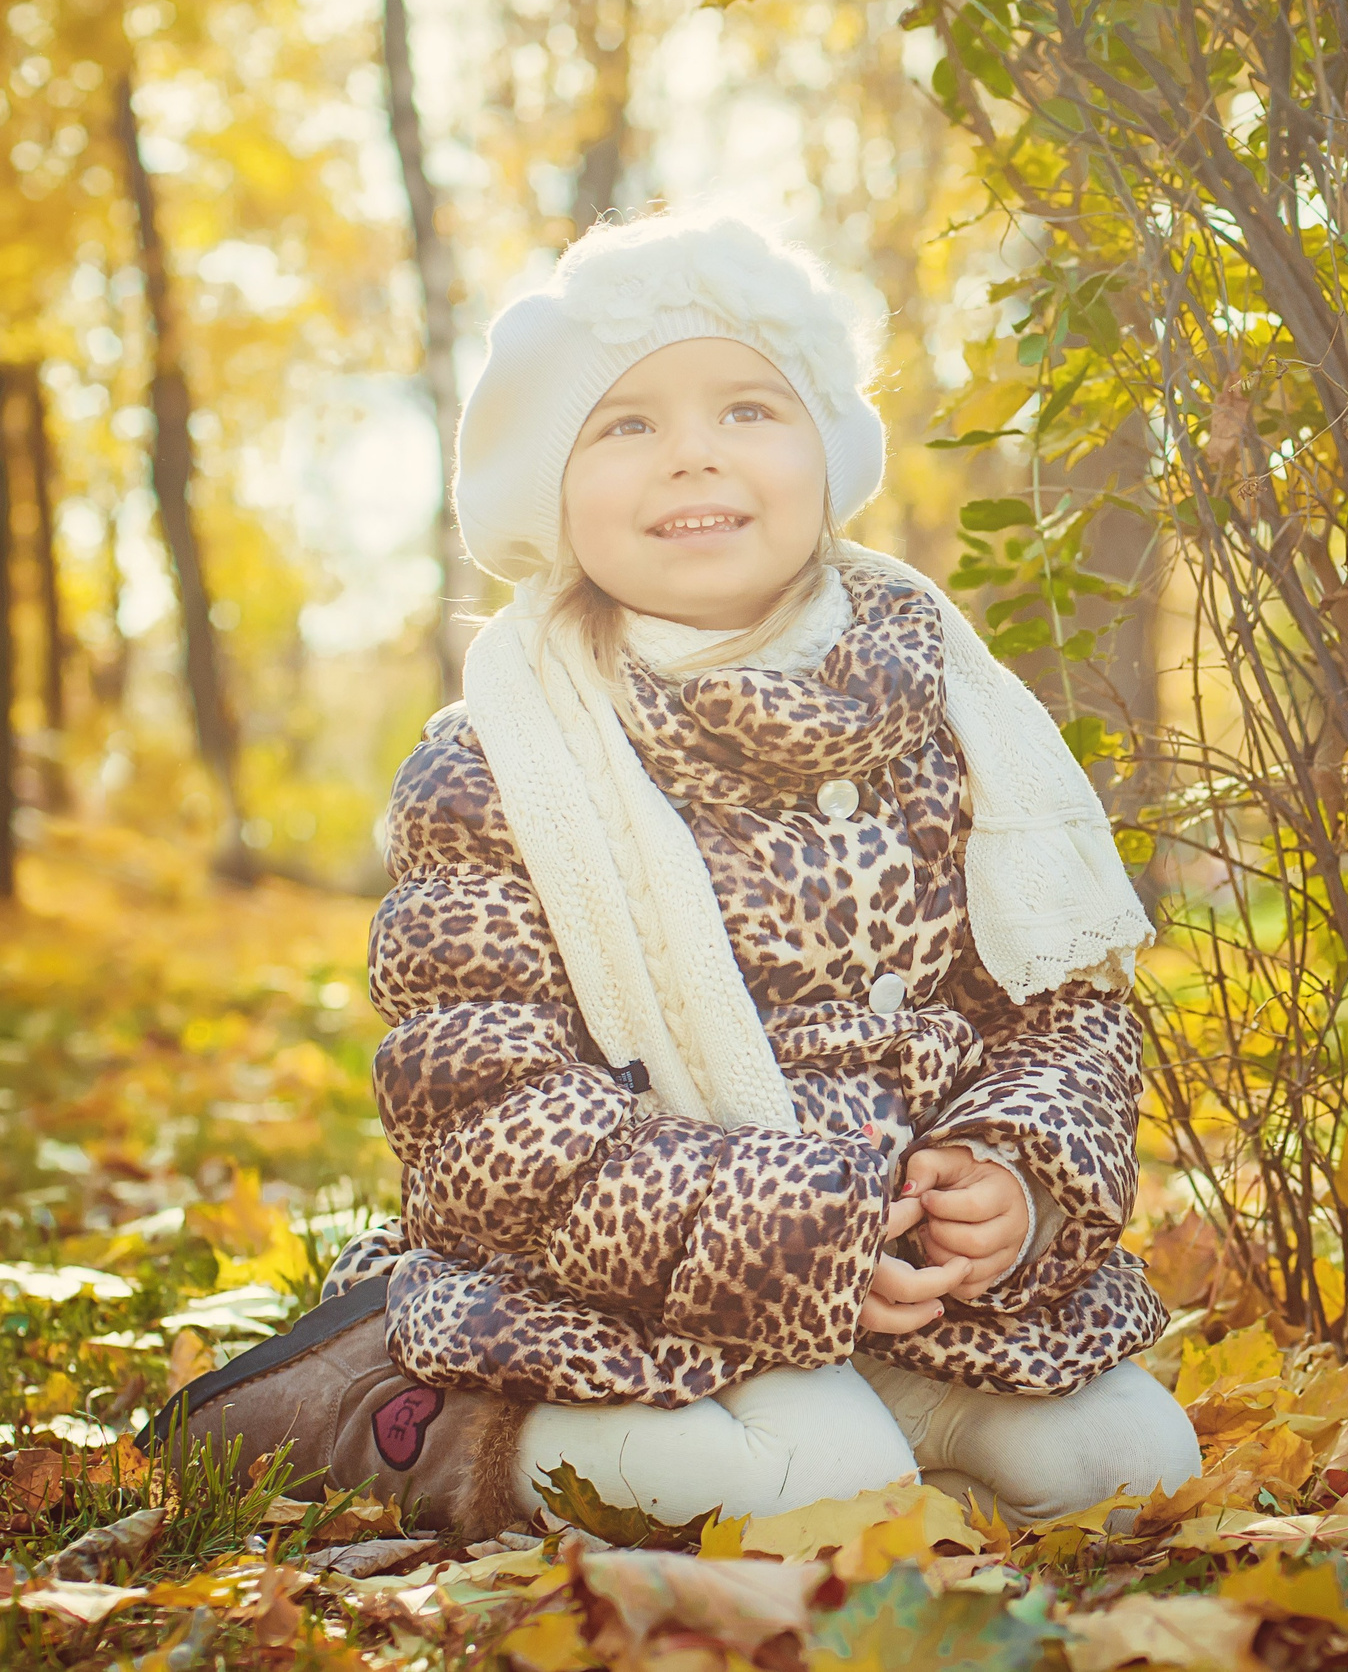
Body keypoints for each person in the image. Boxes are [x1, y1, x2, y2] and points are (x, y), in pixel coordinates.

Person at [149, 209, 1201, 1537]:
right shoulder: (501, 767)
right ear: (552, 492)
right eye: (626, 425)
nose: (694, 450)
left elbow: (1066, 1011)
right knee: (809, 1497)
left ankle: (891, 1435)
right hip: (625, 1299)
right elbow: (489, 1126)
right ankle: (431, 1433)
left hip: (924, 1300)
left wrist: (1016, 1178)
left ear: (826, 456)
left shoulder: (953, 717)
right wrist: (796, 1234)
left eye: (748, 408)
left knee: (1134, 1467)